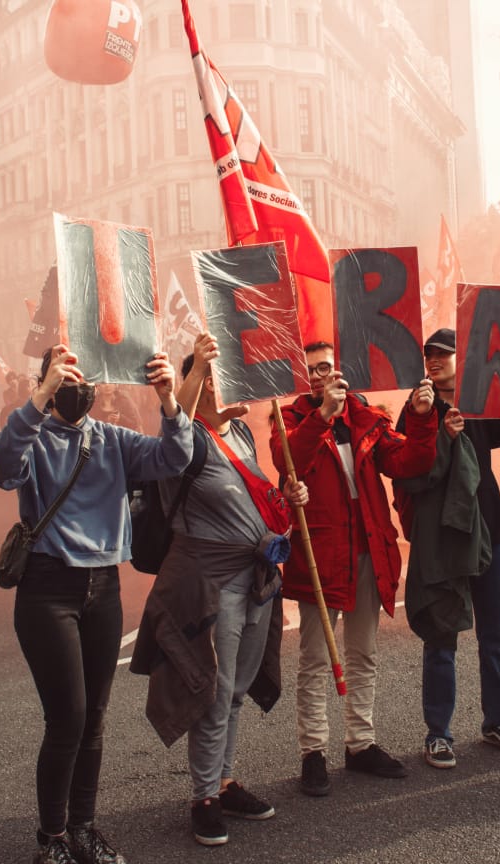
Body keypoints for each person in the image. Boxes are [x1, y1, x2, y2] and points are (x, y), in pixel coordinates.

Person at [0, 343, 193, 864]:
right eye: (67, 378)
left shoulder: (112, 440)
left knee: (95, 718)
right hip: (47, 590)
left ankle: (83, 829)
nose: (80, 388)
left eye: (85, 379)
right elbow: (3, 469)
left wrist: (170, 401)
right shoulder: (33, 436)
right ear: (50, 383)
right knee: (68, 718)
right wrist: (36, 398)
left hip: (102, 589)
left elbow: (174, 457)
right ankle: (51, 839)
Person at [131, 334, 308, 846]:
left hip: (256, 579)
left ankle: (225, 780)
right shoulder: (187, 443)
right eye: (215, 375)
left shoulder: (245, 436)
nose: (228, 381)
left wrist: (287, 498)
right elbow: (173, 428)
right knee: (211, 689)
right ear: (202, 385)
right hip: (211, 583)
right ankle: (204, 795)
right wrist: (193, 371)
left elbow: (254, 498)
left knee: (234, 689)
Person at [274, 341, 437, 796]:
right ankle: (313, 752)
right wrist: (321, 414)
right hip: (320, 555)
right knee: (314, 659)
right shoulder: (290, 418)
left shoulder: (365, 416)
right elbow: (287, 459)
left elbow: (408, 461)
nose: (320, 375)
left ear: (339, 370)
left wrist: (422, 419)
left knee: (362, 653)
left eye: (327, 366)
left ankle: (360, 743)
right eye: (312, 370)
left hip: (367, 550)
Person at [393, 328, 500, 770]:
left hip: (492, 531)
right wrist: (441, 437)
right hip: (443, 540)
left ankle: (498, 722)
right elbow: (406, 472)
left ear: (462, 359)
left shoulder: (482, 399)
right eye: (429, 355)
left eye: (443, 354)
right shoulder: (416, 408)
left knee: (494, 635)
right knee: (441, 637)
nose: (434, 361)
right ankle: (438, 734)